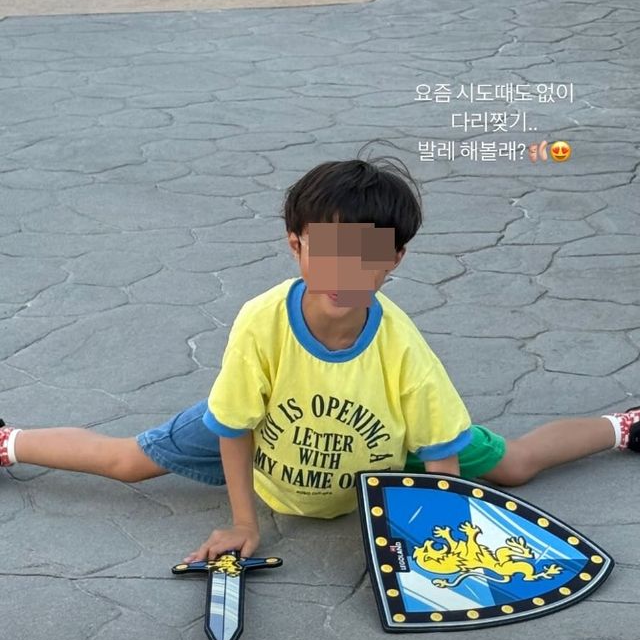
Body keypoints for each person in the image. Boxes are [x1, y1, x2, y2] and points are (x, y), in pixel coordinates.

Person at [1, 152, 638, 565]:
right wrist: (245, 522)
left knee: (517, 464)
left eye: (366, 255)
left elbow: (439, 447)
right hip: (267, 424)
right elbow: (234, 426)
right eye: (328, 250)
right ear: (296, 245)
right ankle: (8, 442)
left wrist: (435, 539)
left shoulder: (402, 346)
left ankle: (623, 425)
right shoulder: (262, 320)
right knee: (125, 462)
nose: (344, 271)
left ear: (395, 259)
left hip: (385, 442)